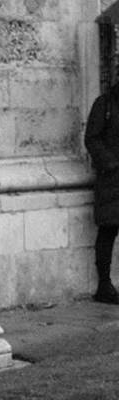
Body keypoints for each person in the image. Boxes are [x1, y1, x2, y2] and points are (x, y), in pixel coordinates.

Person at [84, 80, 119, 304]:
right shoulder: (104, 104)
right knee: (108, 230)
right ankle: (104, 286)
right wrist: (111, 163)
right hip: (112, 180)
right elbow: (92, 138)